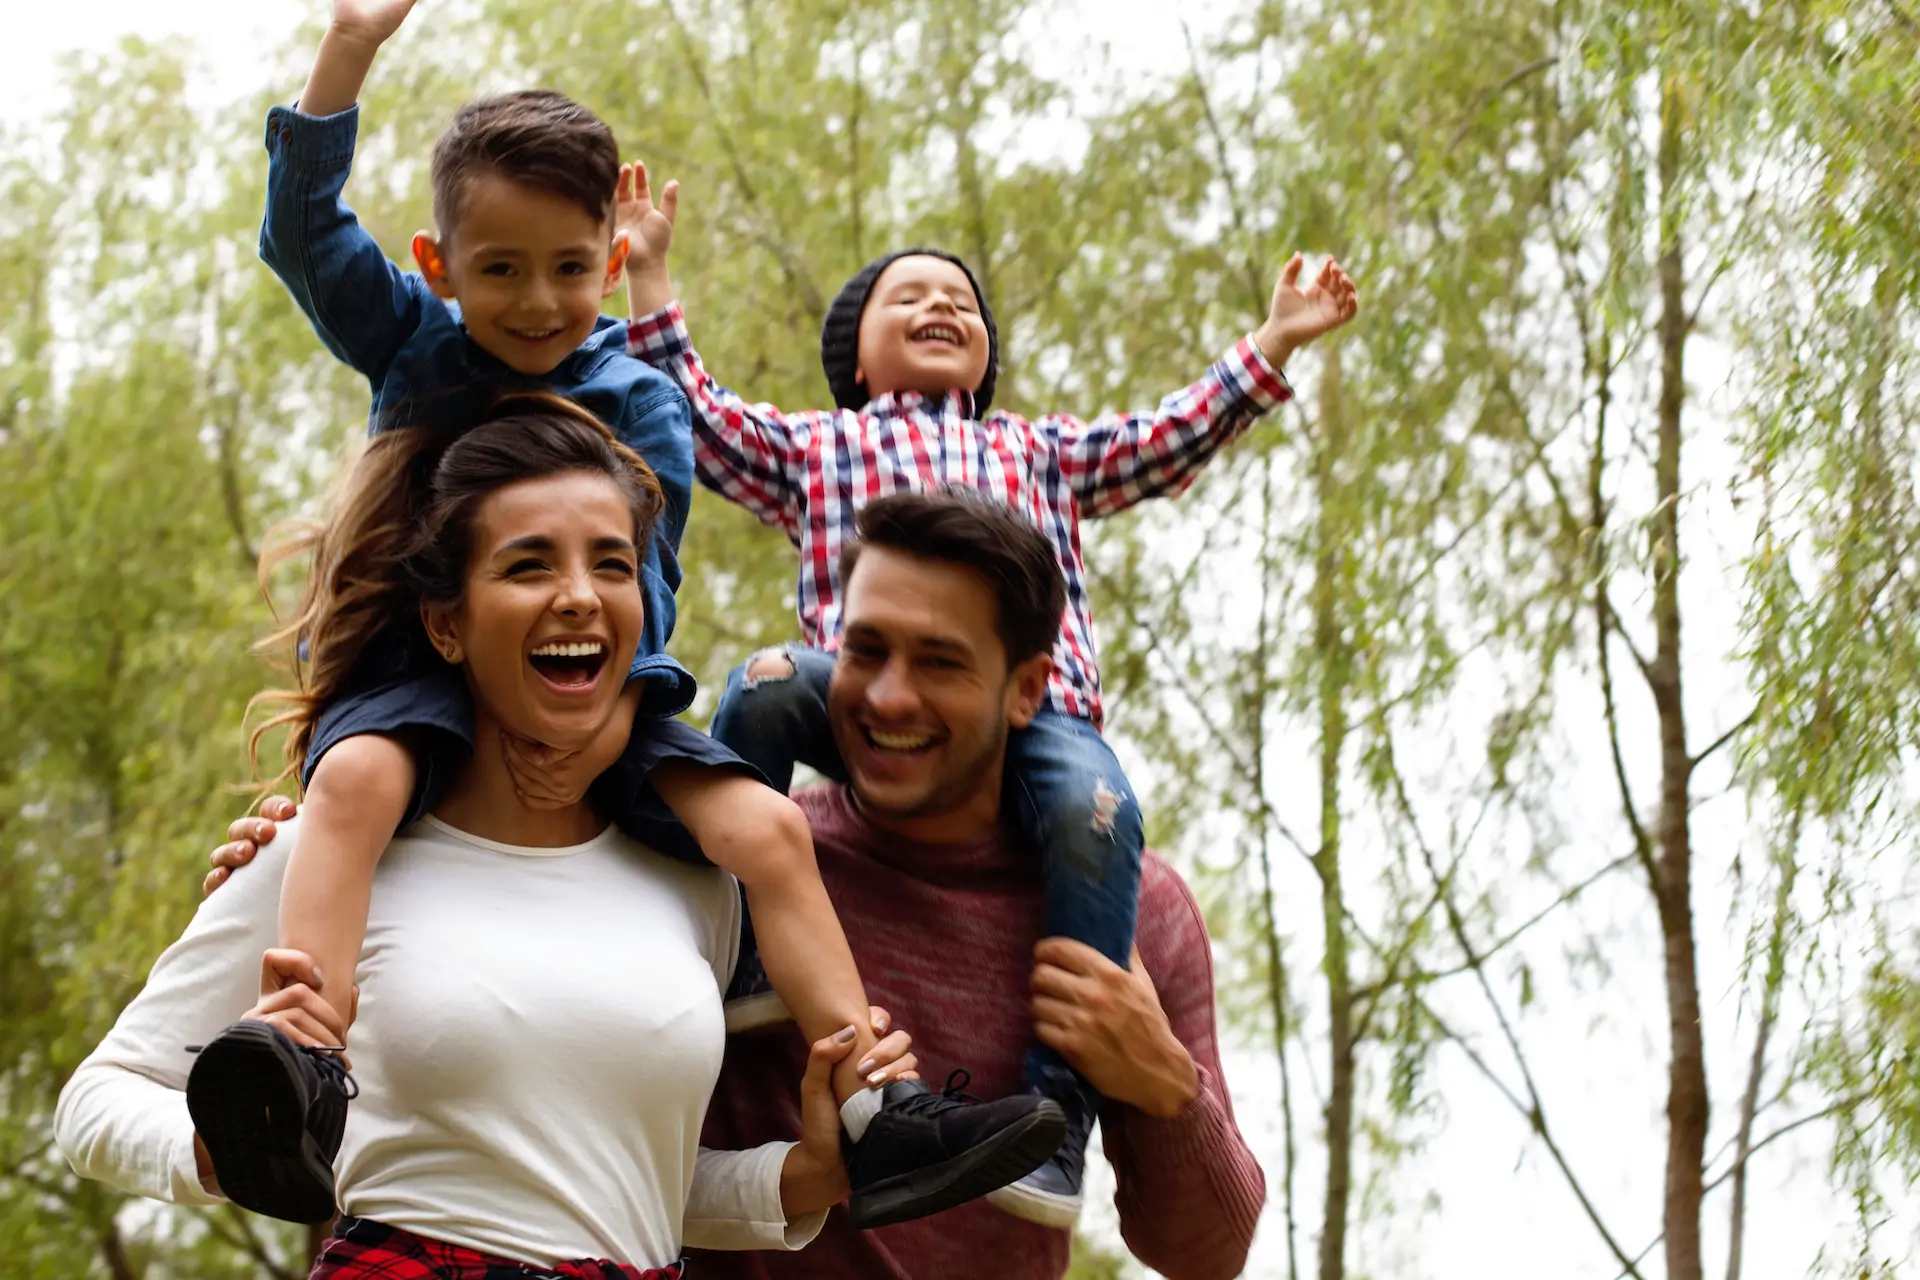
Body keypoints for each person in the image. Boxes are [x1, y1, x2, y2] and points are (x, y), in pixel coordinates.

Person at [208, 0, 1064, 1226]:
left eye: (569, 267)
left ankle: (879, 1105)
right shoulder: (414, 337)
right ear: (443, 265)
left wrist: (598, 709)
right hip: (414, 668)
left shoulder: (636, 396)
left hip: (592, 688)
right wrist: (348, 51)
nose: (539, 301)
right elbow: (301, 236)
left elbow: (641, 585)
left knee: (770, 829)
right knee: (352, 789)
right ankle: (306, 1057)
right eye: (500, 271)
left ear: (612, 254)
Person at [211, 489, 1268, 1279]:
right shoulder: (726, 859)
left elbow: (1207, 1249)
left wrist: (1162, 1085)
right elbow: (492, 996)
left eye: (940, 661)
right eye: (865, 648)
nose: (889, 695)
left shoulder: (1129, 911)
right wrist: (300, 855)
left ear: (1030, 686)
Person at [616, 159, 1356, 1222]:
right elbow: (693, 416)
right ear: (853, 359)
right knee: (764, 684)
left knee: (1097, 813)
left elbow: (1165, 438)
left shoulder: (1038, 452)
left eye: (959, 301)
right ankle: (736, 940)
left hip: (1049, 733)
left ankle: (1053, 1124)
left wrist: (1274, 341)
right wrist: (648, 280)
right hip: (844, 694)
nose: (939, 306)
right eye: (905, 296)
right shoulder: (820, 446)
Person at [55, 400, 941, 1277]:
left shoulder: (695, 884)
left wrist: (802, 1178)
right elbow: (95, 1103)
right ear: (447, 624)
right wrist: (216, 1148)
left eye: (612, 564)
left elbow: (619, 1183)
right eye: (528, 567)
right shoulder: (334, 854)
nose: (579, 598)